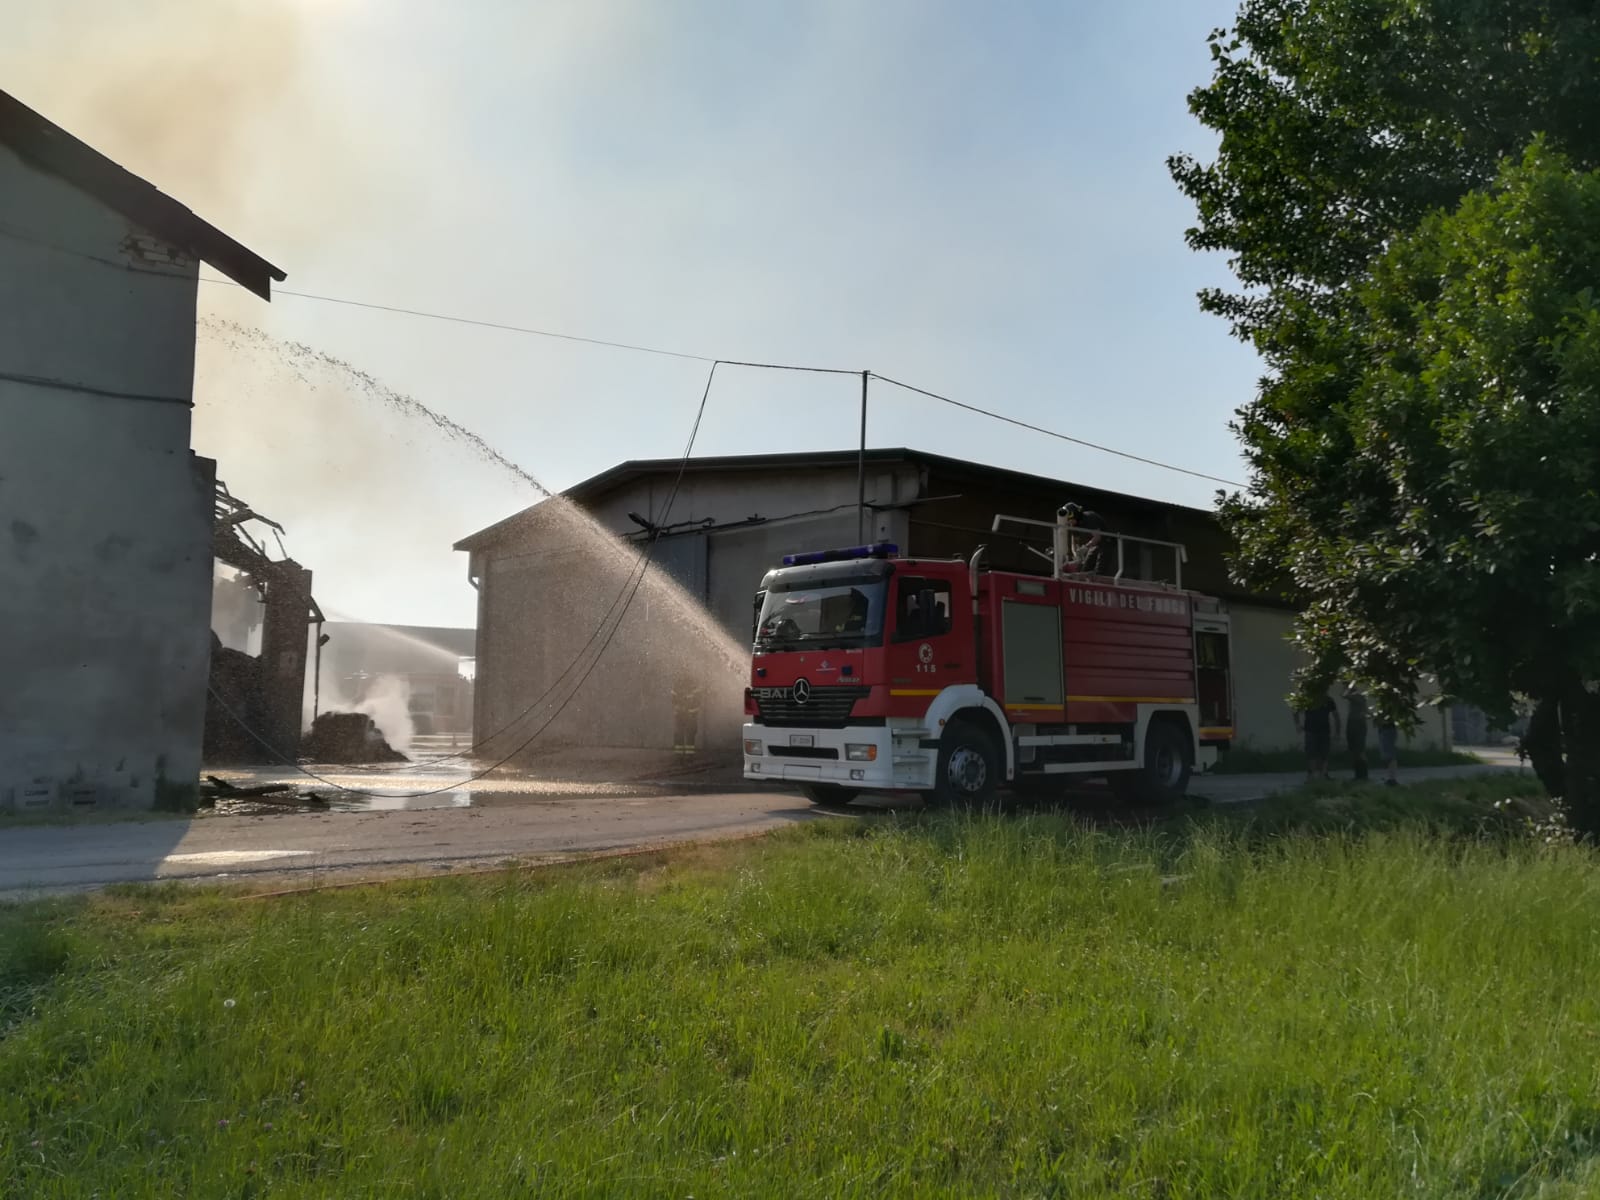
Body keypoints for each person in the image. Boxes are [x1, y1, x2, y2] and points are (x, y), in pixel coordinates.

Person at [1294, 691, 1340, 781]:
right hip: (1311, 729)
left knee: (1324, 753)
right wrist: (1298, 724)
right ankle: (1311, 775)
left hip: (1324, 730)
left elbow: (1336, 716)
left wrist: (1337, 732)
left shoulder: (1328, 700)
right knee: (1311, 752)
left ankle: (1323, 774)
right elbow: (1296, 710)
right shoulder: (1308, 699)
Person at [671, 671, 702, 758]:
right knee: (682, 734)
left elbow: (697, 701)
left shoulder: (680, 684)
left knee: (687, 734)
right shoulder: (680, 684)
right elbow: (674, 699)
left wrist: (688, 710)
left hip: (688, 714)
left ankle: (684, 756)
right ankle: (681, 755)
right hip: (685, 714)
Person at [1345, 686, 1370, 781]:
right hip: (1353, 723)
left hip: (1358, 724)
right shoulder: (1356, 698)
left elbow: (1344, 695)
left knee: (1360, 750)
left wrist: (1350, 685)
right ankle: (1358, 774)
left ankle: (1363, 774)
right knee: (1354, 751)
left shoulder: (1357, 697)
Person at [1377, 717, 1400, 786]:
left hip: (1388, 728)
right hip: (1386, 728)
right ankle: (1391, 778)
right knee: (1388, 754)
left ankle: (1392, 779)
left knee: (1390, 755)